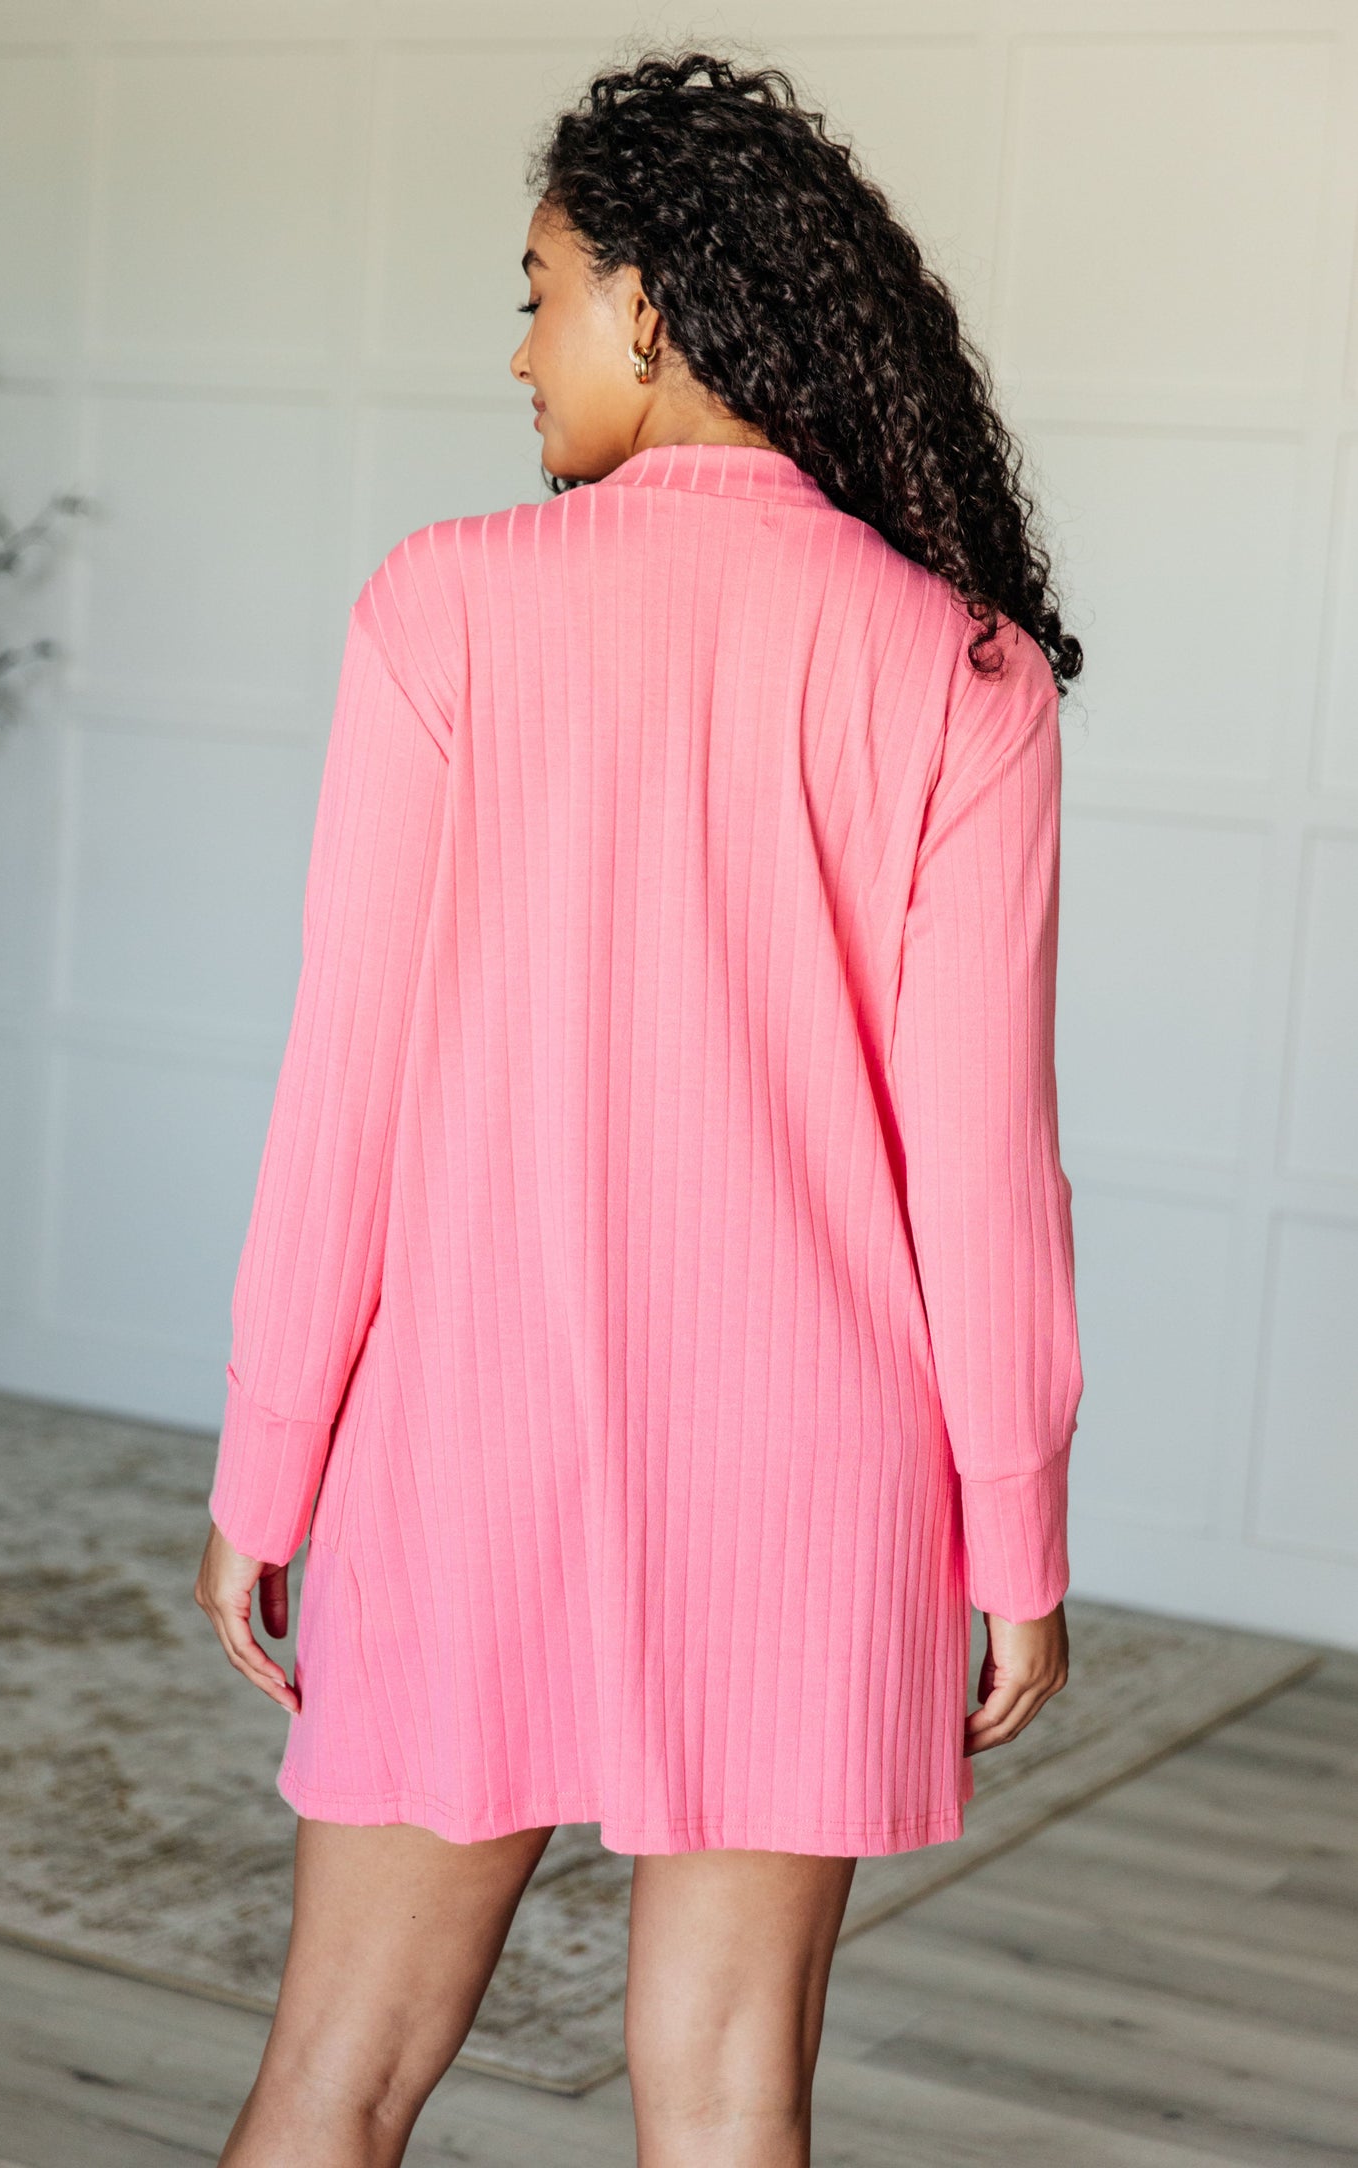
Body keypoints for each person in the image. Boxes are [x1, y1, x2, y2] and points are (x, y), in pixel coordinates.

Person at [194, 48, 1084, 2168]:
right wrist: (1015, 1527)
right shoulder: (963, 669)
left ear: (652, 308)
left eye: (533, 290)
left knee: (337, 2080)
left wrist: (267, 1463)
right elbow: (981, 1170)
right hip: (817, 1479)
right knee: (724, 2101)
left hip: (465, 1445)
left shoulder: (446, 606)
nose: (518, 352)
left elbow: (347, 1089)